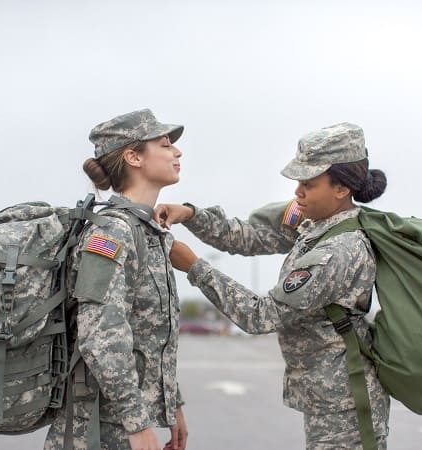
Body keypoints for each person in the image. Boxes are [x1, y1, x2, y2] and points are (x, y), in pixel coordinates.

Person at [157, 123, 390, 449]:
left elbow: (260, 316)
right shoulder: (314, 223)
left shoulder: (339, 250)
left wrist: (194, 267)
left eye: (308, 183)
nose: (298, 192)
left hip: (345, 404)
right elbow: (249, 235)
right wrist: (191, 215)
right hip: (328, 395)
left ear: (341, 189)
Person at [44, 109, 188, 450]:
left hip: (121, 424)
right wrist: (137, 425)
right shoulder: (112, 232)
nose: (178, 152)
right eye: (166, 145)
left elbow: (150, 335)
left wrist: (173, 405)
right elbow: (100, 335)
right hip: (99, 429)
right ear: (133, 157)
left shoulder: (145, 231)